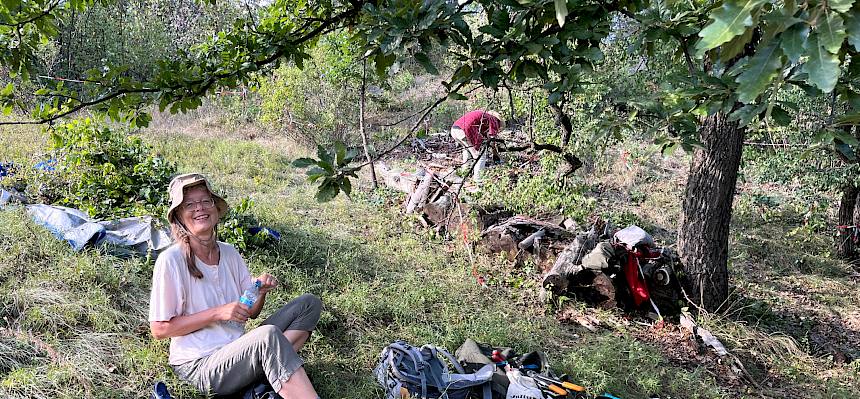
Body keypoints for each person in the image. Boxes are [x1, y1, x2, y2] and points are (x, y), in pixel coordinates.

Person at [149, 173, 322, 399]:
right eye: (189, 204)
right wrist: (218, 313)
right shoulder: (171, 260)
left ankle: (270, 370)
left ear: (215, 208)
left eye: (205, 201)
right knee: (267, 337)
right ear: (179, 217)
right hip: (199, 366)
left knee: (308, 304)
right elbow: (160, 329)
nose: (199, 208)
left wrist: (258, 292)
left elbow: (248, 311)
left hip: (237, 350)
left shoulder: (229, 252)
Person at [450, 110, 505, 181]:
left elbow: (485, 134)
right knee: (480, 155)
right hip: (464, 130)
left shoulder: (483, 116)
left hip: (454, 129)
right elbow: (492, 139)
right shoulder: (494, 120)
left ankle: (465, 174)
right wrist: (495, 155)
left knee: (467, 150)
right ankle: (478, 181)